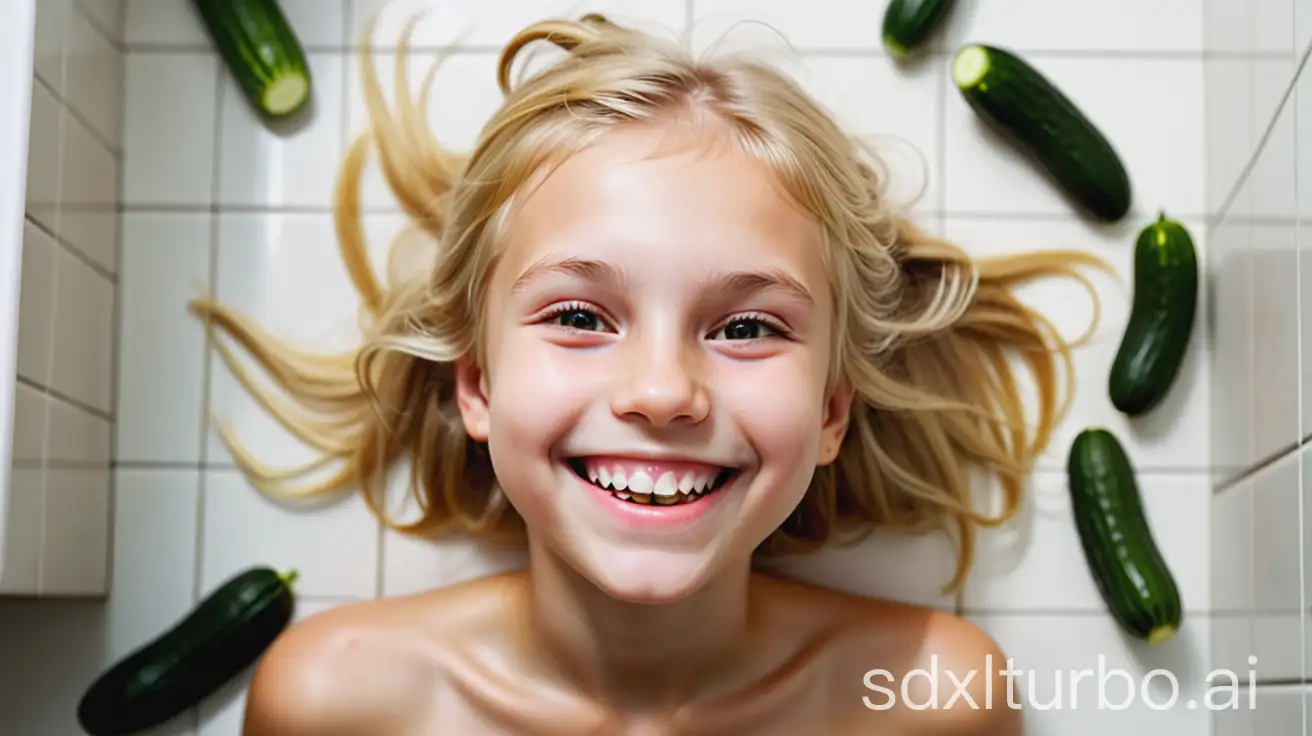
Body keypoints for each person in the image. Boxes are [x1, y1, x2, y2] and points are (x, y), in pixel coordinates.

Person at [197, 12, 1104, 735]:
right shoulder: (334, 704)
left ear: (832, 409)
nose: (663, 392)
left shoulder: (935, 701)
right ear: (477, 385)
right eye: (580, 317)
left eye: (746, 327)